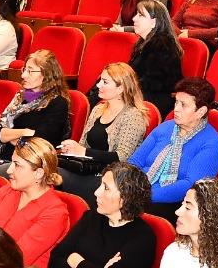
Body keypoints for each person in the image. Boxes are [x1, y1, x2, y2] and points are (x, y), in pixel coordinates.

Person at [129, 77, 218, 215]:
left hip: (174, 203)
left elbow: (190, 185)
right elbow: (135, 162)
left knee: (125, 209)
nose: (176, 109)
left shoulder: (211, 143)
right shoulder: (165, 128)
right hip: (139, 188)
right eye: (176, 102)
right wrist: (125, 184)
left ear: (201, 111)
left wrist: (142, 194)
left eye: (183, 105)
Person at [57, 63, 151, 200]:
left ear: (121, 88)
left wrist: (83, 152)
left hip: (111, 177)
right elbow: (83, 144)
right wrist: (72, 149)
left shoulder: (133, 116)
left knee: (54, 177)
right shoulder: (98, 109)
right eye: (100, 80)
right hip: (87, 168)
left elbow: (123, 157)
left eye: (105, 82)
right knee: (48, 170)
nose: (98, 85)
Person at [0, 136, 70, 268]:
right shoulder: (7, 190)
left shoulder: (54, 213)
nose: (9, 170)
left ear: (38, 173)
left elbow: (16, 260)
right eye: (12, 163)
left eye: (17, 165)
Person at [0, 49, 70, 162]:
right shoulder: (20, 97)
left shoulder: (57, 103)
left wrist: (8, 137)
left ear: (47, 74)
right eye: (24, 70)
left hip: (31, 164)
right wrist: (24, 132)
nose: (23, 75)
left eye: (30, 71)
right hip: (4, 157)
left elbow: (40, 141)